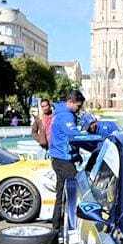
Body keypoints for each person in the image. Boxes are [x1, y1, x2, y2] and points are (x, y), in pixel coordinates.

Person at [49, 90, 90, 235]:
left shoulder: (60, 113)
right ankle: (67, 227)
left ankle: (57, 226)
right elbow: (74, 136)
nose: (79, 109)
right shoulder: (66, 115)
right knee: (73, 193)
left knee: (62, 194)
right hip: (63, 160)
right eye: (78, 106)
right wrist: (95, 141)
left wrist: (76, 154)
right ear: (70, 102)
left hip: (59, 158)